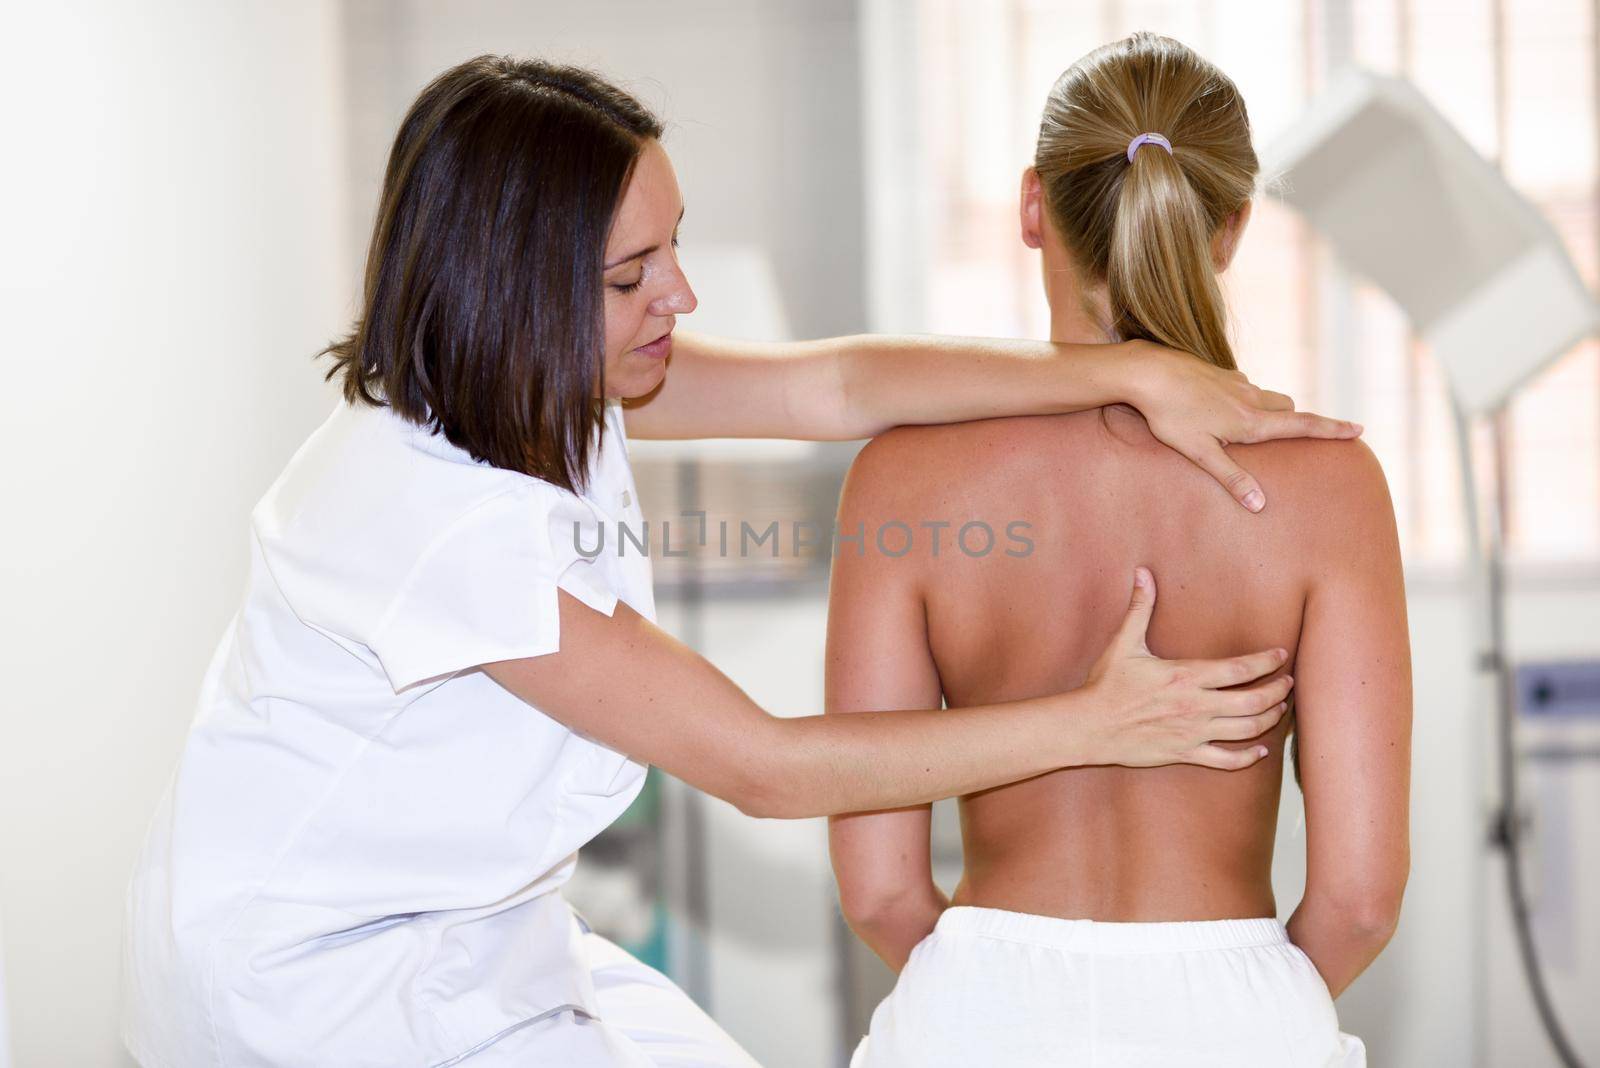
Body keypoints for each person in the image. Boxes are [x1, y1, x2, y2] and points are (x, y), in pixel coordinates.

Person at [121, 54, 1357, 1067]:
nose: (684, 296)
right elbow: (766, 768)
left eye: (673, 247)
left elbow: (831, 385)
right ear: (517, 291)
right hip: (316, 991)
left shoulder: (530, 378)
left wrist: (1127, 372)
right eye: (632, 275)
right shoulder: (420, 522)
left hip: (477, 934)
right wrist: (1097, 722)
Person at [829, 32, 1410, 1068]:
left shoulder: (900, 477)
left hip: (971, 1009)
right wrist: (1231, 1009)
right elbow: (1359, 901)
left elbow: (877, 889)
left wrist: (993, 1000)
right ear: (1228, 228)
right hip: (1234, 1011)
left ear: (1030, 206)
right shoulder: (1328, 484)